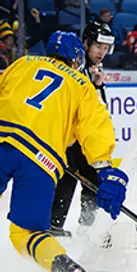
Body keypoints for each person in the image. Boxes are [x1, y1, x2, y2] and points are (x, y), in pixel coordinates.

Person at [0, 31, 128, 272]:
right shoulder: (81, 84)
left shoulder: (22, 63)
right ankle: (65, 267)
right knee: (26, 234)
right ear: (76, 59)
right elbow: (95, 128)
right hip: (42, 160)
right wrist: (106, 172)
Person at [50, 20, 116, 238]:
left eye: (105, 48)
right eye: (98, 46)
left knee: (91, 178)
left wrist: (98, 86)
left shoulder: (92, 68)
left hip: (82, 137)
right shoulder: (72, 65)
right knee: (67, 176)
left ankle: (86, 224)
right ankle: (55, 224)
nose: (101, 52)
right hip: (68, 136)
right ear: (86, 43)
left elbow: (96, 106)